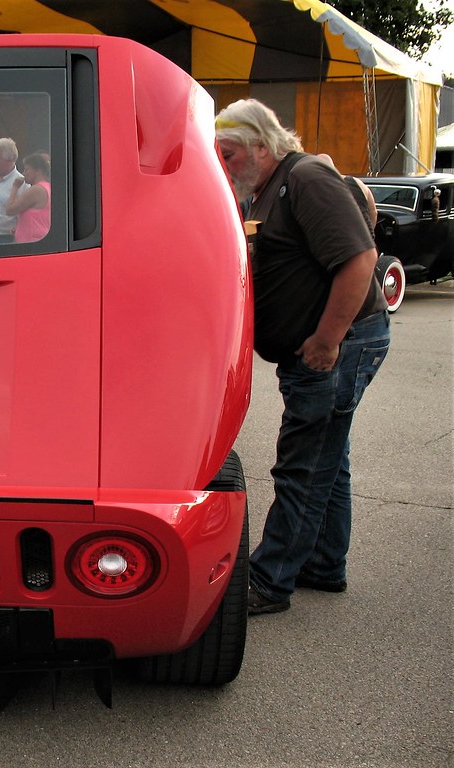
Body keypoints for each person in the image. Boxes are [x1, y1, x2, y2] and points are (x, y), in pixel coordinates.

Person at [214, 99, 389, 615]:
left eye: (229, 156)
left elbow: (360, 259)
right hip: (327, 345)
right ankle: (324, 564)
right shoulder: (269, 187)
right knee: (327, 460)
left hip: (339, 345)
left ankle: (270, 581)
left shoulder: (306, 177)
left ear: (263, 147)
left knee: (303, 464)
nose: (224, 167)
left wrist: (326, 339)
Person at [6, 152, 51, 243]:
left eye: (27, 170)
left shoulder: (36, 190)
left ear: (38, 171)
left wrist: (15, 187)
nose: (23, 173)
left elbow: (10, 210)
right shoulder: (48, 187)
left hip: (30, 241)